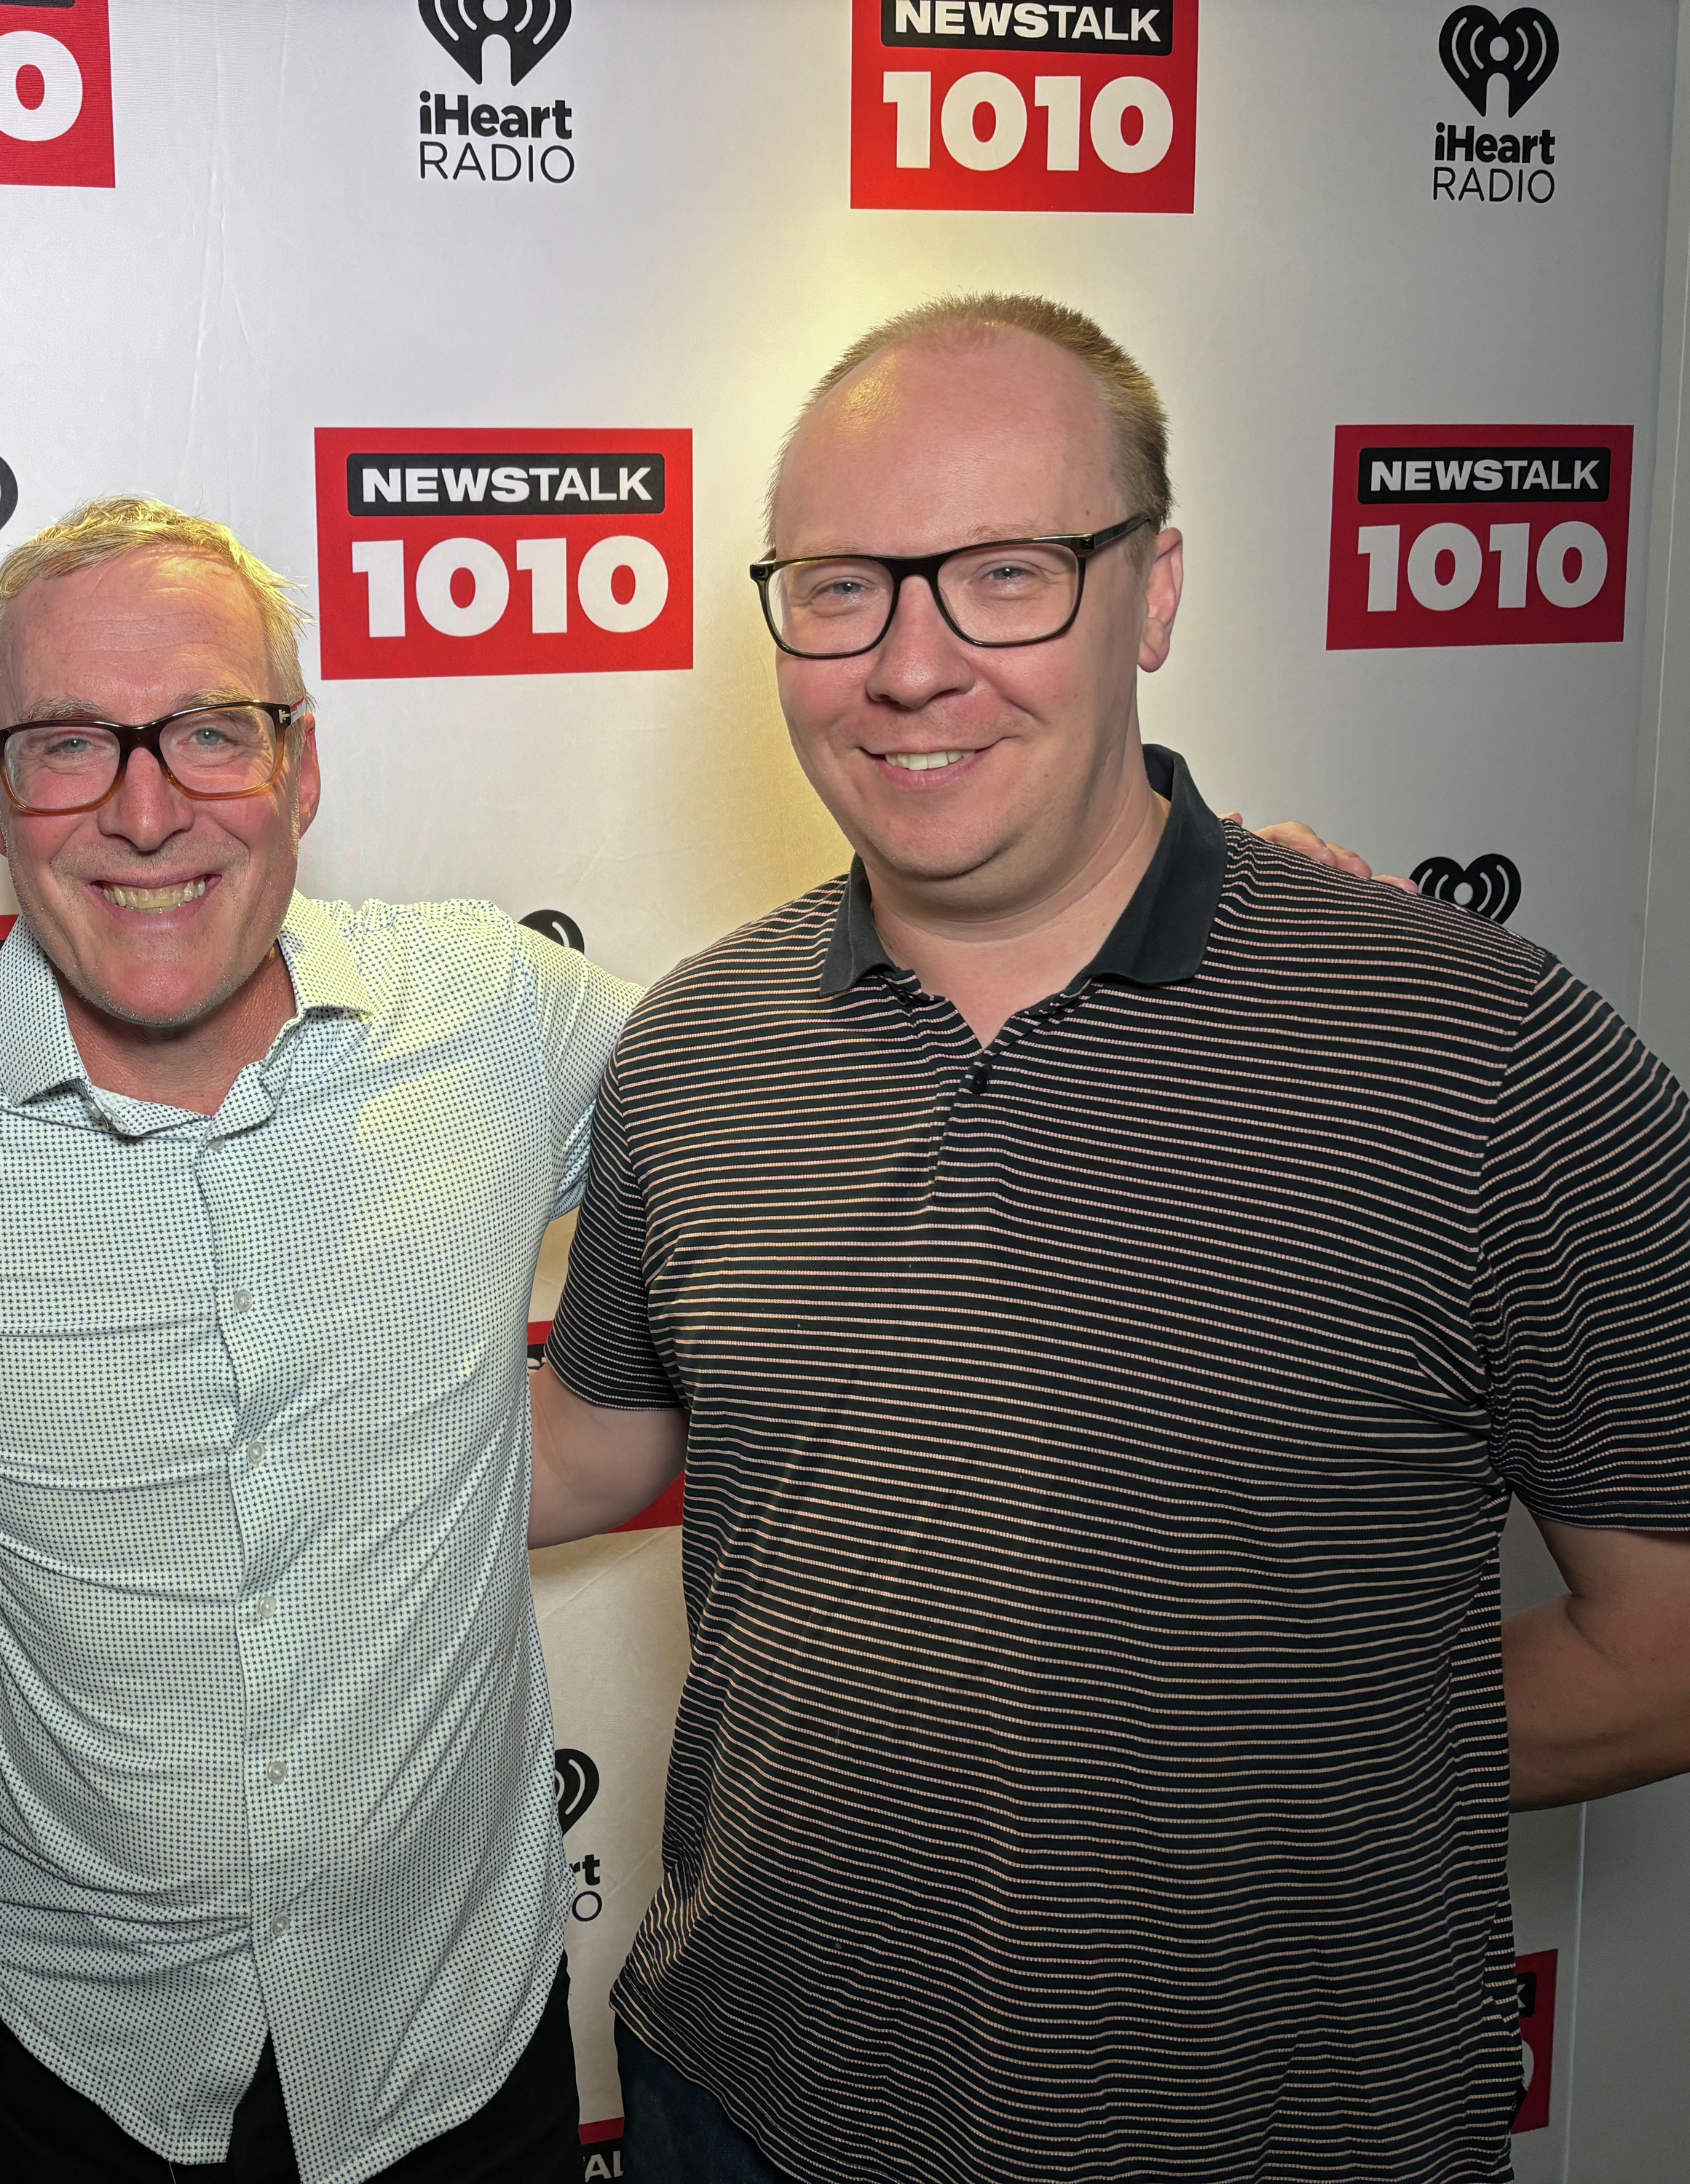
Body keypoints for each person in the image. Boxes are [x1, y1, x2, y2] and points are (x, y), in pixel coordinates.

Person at [0, 500, 1373, 2184]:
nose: (149, 801)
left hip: (460, 2045)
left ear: (304, 766)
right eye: (70, 747)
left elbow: (843, 1057)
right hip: (89, 2054)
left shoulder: (508, 1014)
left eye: (211, 730)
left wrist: (1184, 930)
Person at [528, 293, 1690, 2184]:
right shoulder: (693, 1048)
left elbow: (1671, 1644)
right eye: (838, 588)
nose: (910, 667)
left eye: (1006, 575)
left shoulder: (1478, 1048)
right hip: (746, 2101)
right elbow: (609, 1444)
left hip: (1274, 2131)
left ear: (1153, 594)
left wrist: (1256, 1754)